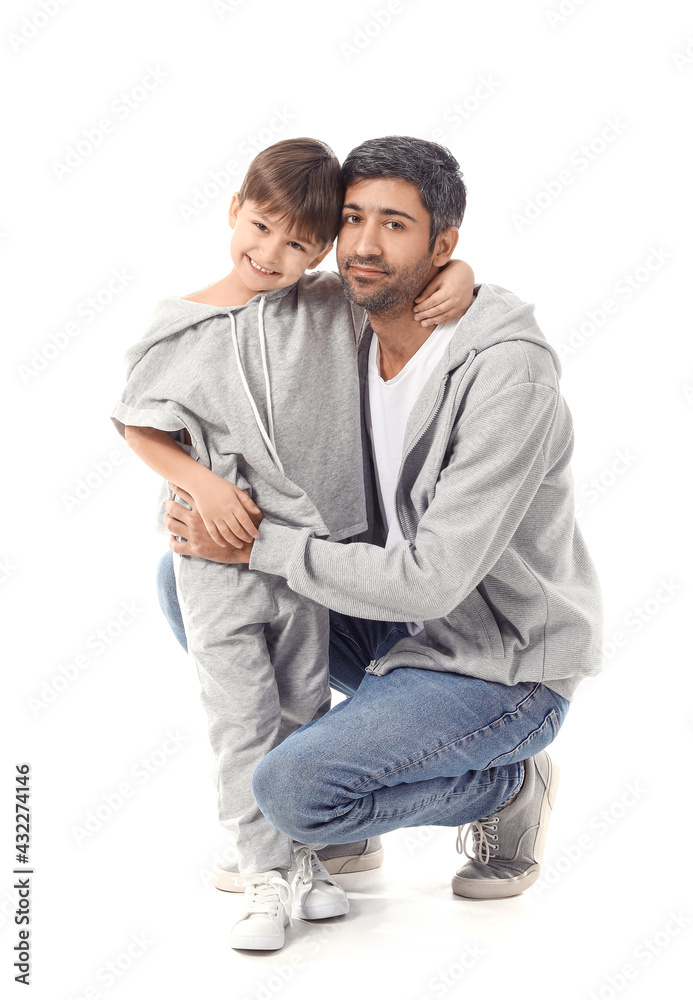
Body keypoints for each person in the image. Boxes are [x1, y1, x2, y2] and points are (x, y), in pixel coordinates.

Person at [158, 135, 604, 912]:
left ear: (442, 245)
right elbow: (237, 315)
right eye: (352, 219)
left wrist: (259, 541)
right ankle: (357, 785)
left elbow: (431, 581)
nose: (363, 245)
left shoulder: (507, 377)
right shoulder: (345, 323)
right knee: (189, 577)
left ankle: (506, 786)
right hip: (388, 626)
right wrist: (203, 490)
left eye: (394, 225)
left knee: (290, 793)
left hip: (496, 663)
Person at [112, 137, 475, 951]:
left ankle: (304, 861)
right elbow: (138, 421)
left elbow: (413, 287)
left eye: (301, 244)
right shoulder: (180, 326)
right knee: (240, 716)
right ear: (234, 209)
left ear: (321, 251)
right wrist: (201, 485)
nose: (273, 253)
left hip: (311, 559)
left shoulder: (325, 307)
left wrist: (463, 275)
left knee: (303, 711)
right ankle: (262, 874)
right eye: (262, 226)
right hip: (215, 560)